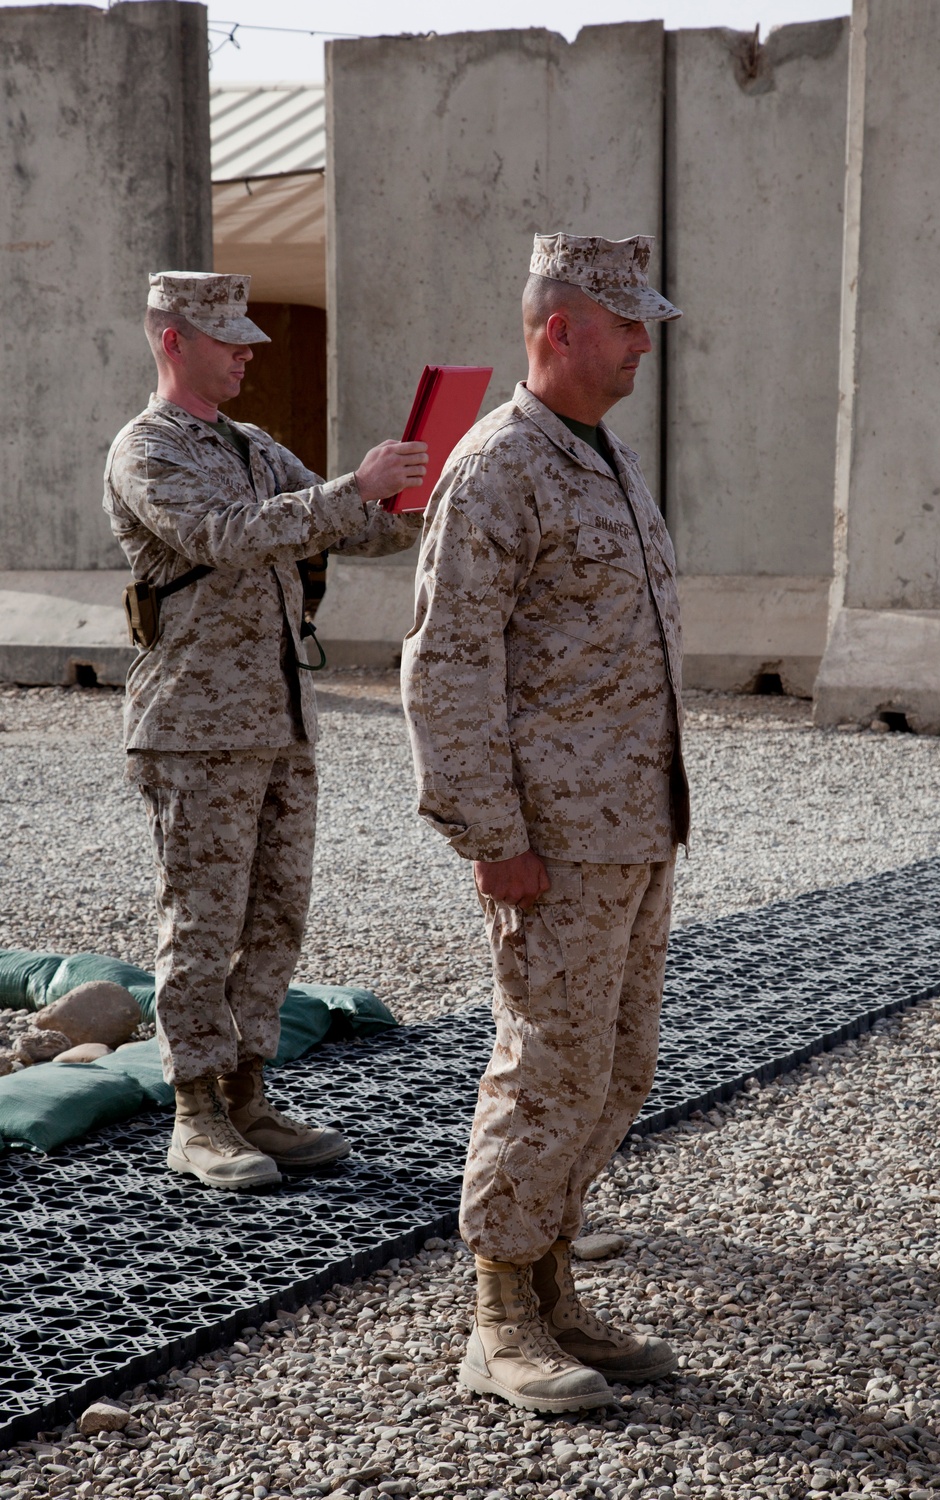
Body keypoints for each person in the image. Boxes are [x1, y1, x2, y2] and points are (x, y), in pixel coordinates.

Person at [401, 233, 689, 1413]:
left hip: (634, 827)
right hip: (555, 841)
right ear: (556, 328)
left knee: (614, 1069)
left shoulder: (605, 455)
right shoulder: (499, 466)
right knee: (543, 1070)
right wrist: (490, 835)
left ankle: (554, 1284)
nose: (641, 344)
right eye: (624, 324)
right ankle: (498, 1318)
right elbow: (446, 666)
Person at [104, 271, 427, 1193]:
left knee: (274, 916)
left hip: (278, 719)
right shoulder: (147, 450)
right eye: (227, 338)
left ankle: (247, 1091)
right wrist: (348, 489)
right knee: (203, 921)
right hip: (194, 724)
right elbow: (222, 535)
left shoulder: (251, 444)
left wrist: (408, 488)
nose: (247, 351)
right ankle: (195, 1113)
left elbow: (354, 528)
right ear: (173, 341)